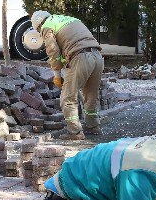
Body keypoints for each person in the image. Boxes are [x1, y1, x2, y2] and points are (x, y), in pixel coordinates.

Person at [31, 10, 104, 140]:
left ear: (38, 25)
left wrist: (57, 75)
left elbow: (53, 51)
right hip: (97, 56)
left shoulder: (47, 26)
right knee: (91, 94)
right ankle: (93, 126)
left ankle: (75, 132)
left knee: (68, 97)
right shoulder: (67, 19)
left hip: (81, 57)